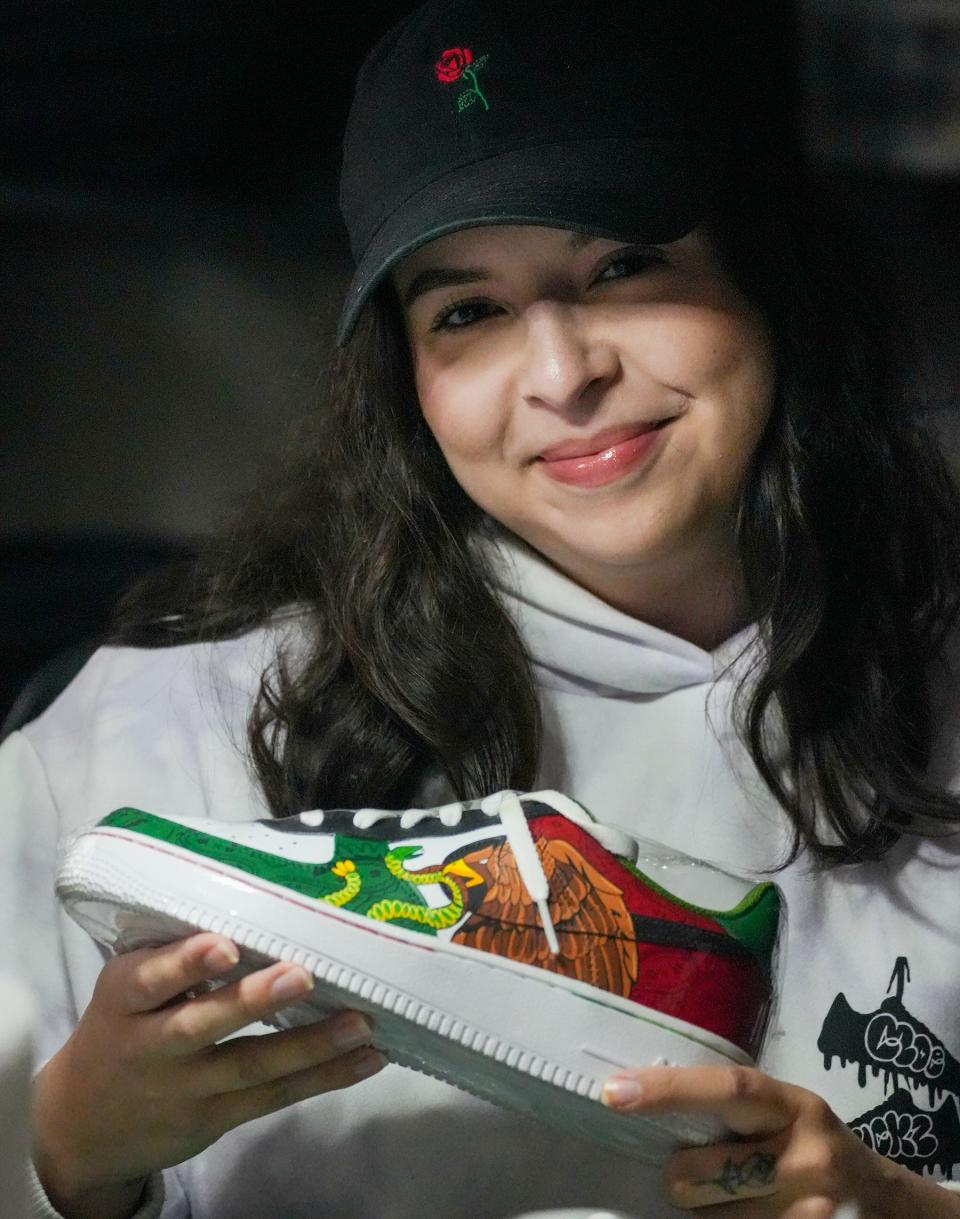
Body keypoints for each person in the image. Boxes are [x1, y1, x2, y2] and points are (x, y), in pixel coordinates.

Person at [4, 0, 960, 1216]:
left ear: (763, 272)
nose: (564, 375)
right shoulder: (149, 730)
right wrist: (67, 1157)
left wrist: (906, 1205)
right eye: (469, 312)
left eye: (622, 264)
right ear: (407, 380)